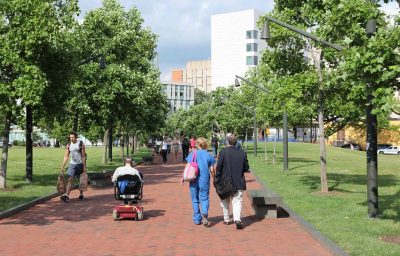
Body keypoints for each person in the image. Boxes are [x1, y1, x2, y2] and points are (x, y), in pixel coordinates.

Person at [215, 133, 249, 229]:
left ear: (227, 141)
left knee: (225, 199)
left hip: (225, 181)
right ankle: (237, 219)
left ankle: (226, 218)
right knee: (237, 200)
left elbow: (219, 168)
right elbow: (246, 167)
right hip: (238, 181)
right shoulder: (242, 153)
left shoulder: (222, 152)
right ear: (236, 142)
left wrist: (217, 179)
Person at [184, 137, 216, 226]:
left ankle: (197, 219)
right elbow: (212, 170)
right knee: (204, 197)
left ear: (197, 144)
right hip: (205, 179)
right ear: (205, 144)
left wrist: (184, 177)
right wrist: (215, 179)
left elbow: (188, 166)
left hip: (193, 179)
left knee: (195, 199)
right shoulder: (209, 155)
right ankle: (205, 213)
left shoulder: (192, 154)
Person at [60, 132, 87, 202]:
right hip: (72, 164)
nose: (71, 139)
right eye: (70, 137)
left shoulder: (81, 144)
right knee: (70, 179)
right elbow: (66, 156)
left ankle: (81, 194)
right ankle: (67, 195)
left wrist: (84, 167)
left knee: (81, 180)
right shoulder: (69, 145)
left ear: (76, 137)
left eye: (73, 137)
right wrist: (63, 165)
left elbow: (83, 156)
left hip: (80, 164)